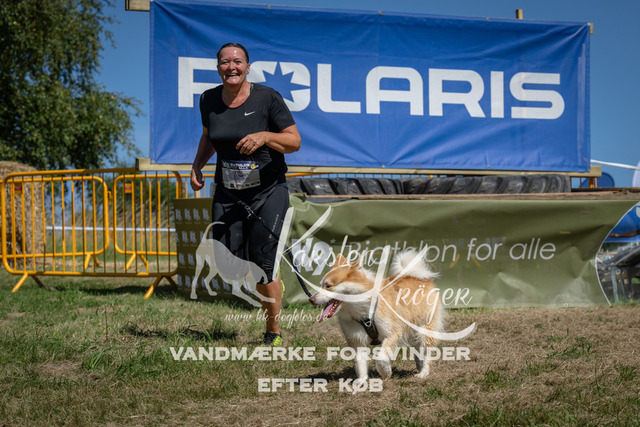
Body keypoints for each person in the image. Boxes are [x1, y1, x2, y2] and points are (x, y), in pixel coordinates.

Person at [190, 43, 301, 346]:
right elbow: (209, 137)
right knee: (228, 264)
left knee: (264, 263)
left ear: (248, 67)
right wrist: (197, 165)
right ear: (218, 68)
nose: (232, 67)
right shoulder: (208, 99)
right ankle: (266, 275)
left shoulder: (267, 98)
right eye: (225, 62)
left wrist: (265, 136)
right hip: (229, 193)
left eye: (237, 61)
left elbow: (294, 141)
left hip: (268, 190)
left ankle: (273, 331)